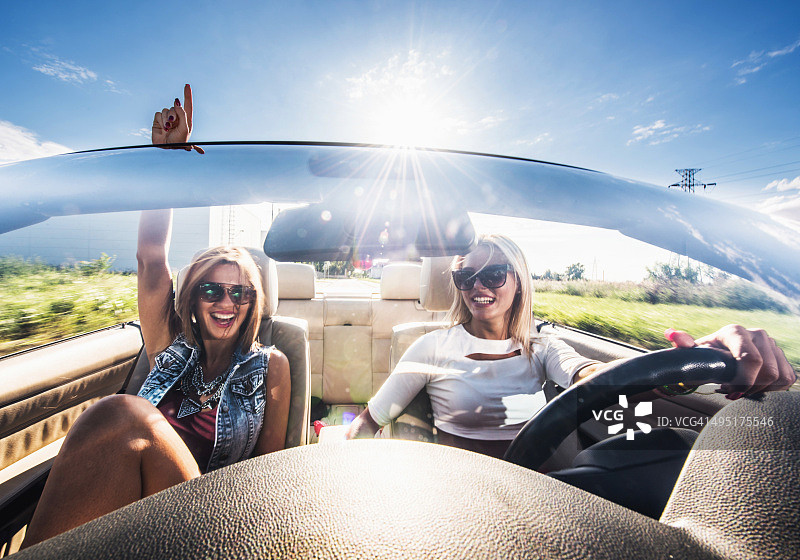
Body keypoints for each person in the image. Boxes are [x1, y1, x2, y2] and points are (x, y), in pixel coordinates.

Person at [22, 85, 291, 547]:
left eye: (240, 293)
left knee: (123, 413)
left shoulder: (272, 366)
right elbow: (151, 257)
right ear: (192, 296)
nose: (226, 303)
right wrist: (166, 162)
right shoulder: (168, 344)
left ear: (254, 302)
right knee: (113, 423)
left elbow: (270, 472)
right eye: (212, 289)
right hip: (140, 507)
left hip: (212, 515)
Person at [347, 234, 796, 458]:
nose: (477, 286)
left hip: (544, 489)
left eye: (493, 274)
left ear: (518, 281)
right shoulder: (430, 348)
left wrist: (688, 363)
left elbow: (594, 378)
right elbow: (369, 421)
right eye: (465, 278)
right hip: (457, 489)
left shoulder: (543, 347)